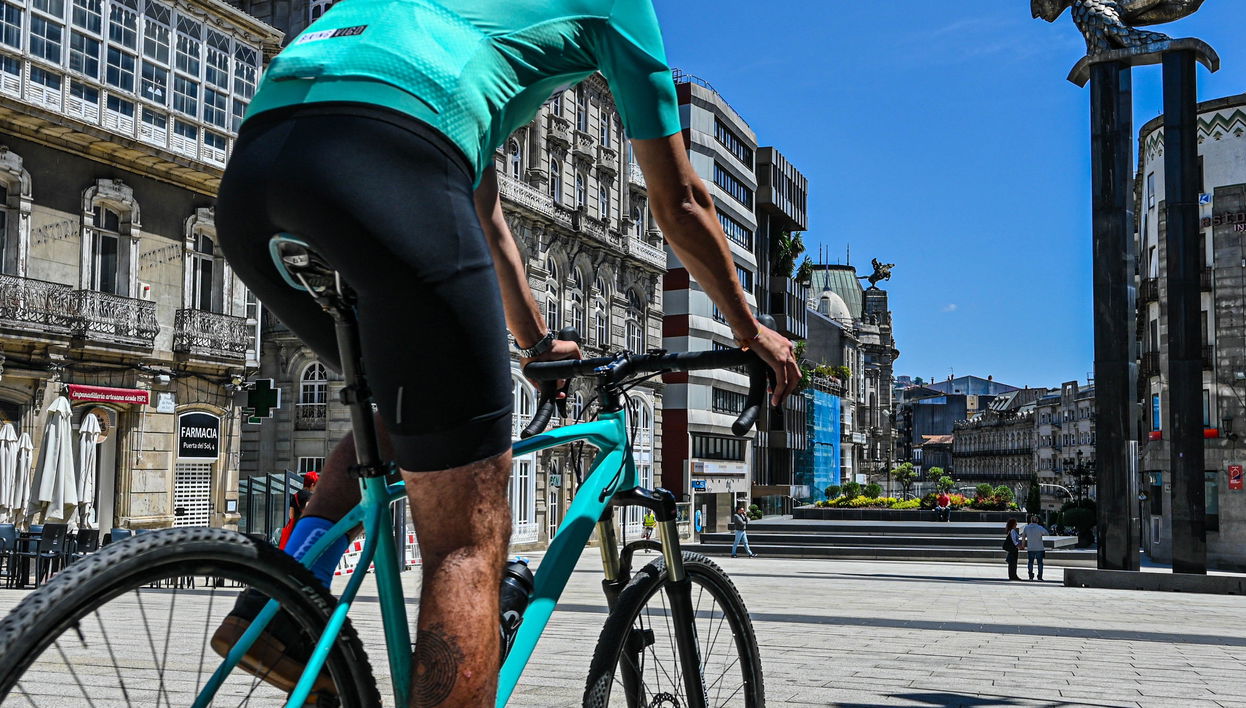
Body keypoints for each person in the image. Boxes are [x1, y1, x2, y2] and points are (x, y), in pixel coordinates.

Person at [212, 1, 801, 703]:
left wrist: (536, 343)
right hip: (389, 156)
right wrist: (748, 327)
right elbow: (680, 203)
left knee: (390, 410)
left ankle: (277, 607)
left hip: (257, 169)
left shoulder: (451, 27)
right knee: (466, 540)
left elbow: (485, 215)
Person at [277, 471, 318, 549]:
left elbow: (291, 515)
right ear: (312, 484)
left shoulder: (295, 495)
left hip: (294, 530)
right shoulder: (310, 496)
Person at [1022, 514, 1050, 581]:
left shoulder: (1026, 528)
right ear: (1037, 521)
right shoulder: (1040, 528)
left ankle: (1030, 576)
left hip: (1030, 548)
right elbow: (1047, 534)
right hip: (1039, 548)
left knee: (1030, 562)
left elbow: (1023, 537)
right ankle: (1039, 576)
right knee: (1040, 563)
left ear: (1031, 520)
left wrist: (1023, 545)